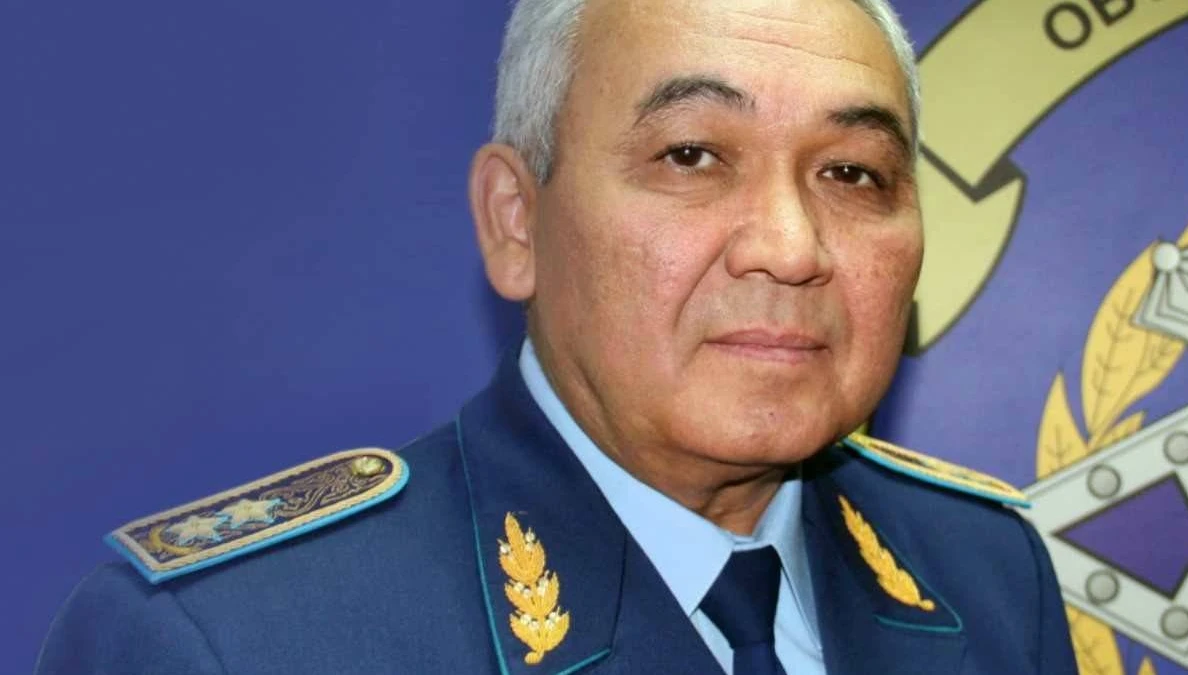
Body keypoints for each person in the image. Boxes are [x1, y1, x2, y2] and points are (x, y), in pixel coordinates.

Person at [36, 0, 1077, 673]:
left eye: (852, 173)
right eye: (692, 156)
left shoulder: (986, 573)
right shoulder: (235, 641)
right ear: (516, 222)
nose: (791, 246)